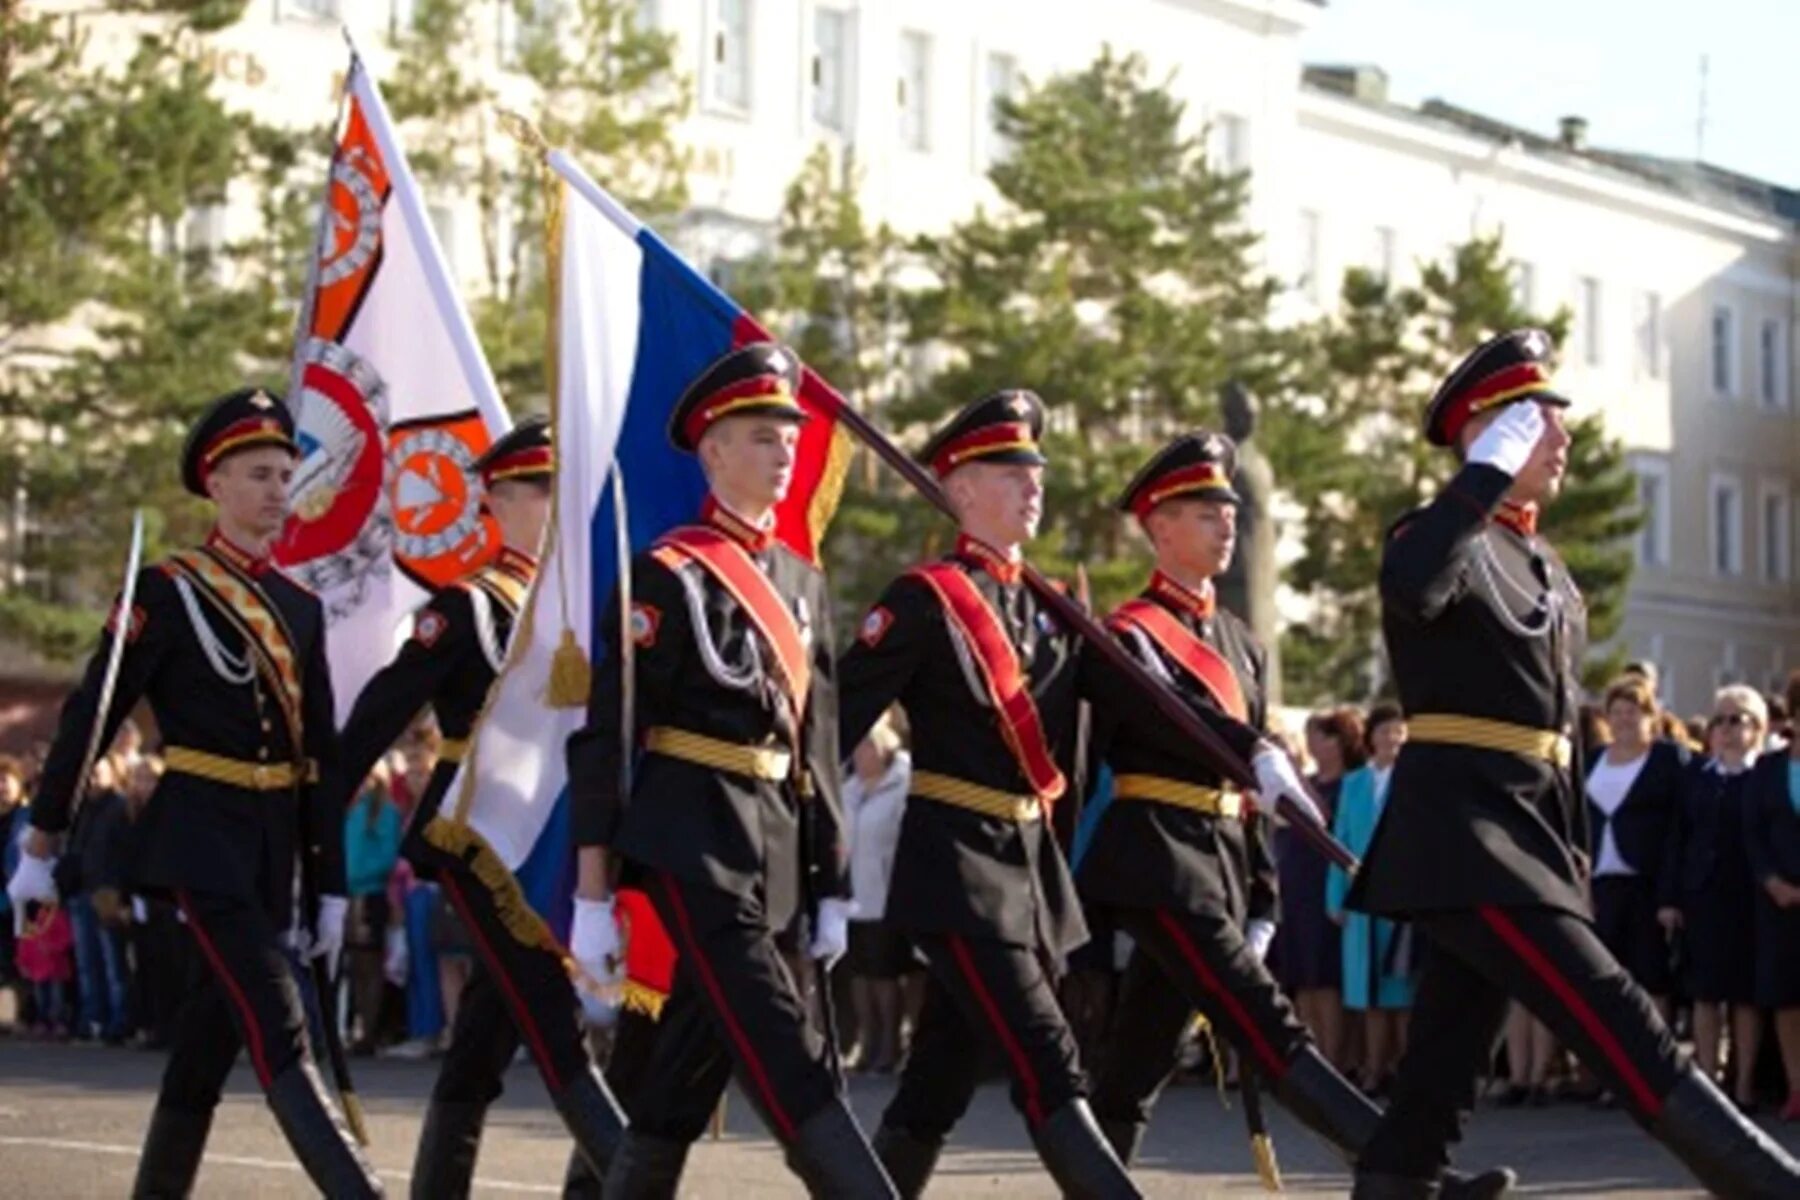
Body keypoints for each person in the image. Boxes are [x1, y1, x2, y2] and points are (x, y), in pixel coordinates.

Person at [1343, 329, 1800, 1198]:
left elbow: (1557, 731)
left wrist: (1571, 850)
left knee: (1440, 1067)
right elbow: (1411, 582)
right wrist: (1477, 477)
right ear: (1492, 431)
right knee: (1622, 1024)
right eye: (1539, 424)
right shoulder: (1444, 535)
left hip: (1526, 837)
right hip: (1469, 840)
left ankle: (1397, 1183)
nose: (1563, 441)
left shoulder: (1543, 564)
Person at [1075, 434, 1506, 1200]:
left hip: (1218, 861)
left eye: (1229, 511)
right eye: (1204, 512)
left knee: (1135, 1061)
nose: (1225, 524)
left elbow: (1254, 787)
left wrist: (1263, 891)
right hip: (1157, 859)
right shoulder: (1127, 634)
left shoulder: (1242, 642)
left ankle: (1092, 1185)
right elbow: (1182, 722)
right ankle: (1406, 1172)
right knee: (1269, 1027)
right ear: (1158, 526)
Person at [4, 387, 381, 1196]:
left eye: (286, 474)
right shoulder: (168, 591)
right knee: (282, 1025)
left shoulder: (300, 608)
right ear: (215, 483)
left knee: (207, 1048)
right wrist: (42, 842)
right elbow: (90, 718)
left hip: (272, 851)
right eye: (258, 474)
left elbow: (319, 759)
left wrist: (329, 887)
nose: (278, 490)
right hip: (200, 839)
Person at [567, 343, 891, 1195]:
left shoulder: (801, 582)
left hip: (779, 849)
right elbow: (608, 735)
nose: (783, 452)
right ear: (712, 451)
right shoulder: (668, 574)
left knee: (677, 1074)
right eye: (760, 437)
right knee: (790, 1058)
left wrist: (831, 879)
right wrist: (592, 894)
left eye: (788, 437)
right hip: (692, 836)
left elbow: (816, 746)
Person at [838, 389, 1138, 1197]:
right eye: (1011, 470)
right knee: (1049, 1054)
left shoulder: (1042, 609)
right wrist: (800, 851)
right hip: (959, 870)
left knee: (939, 1073)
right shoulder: (925, 599)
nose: (1033, 485)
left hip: (1028, 872)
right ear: (961, 488)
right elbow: (833, 720)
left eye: (1036, 470)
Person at [332, 416, 630, 1196]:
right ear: (495, 500)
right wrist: (312, 825)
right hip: (483, 837)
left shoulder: (580, 606)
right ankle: (634, 1181)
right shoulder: (467, 606)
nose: (557, 504)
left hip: (555, 839)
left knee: (484, 1043)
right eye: (540, 489)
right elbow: (377, 715)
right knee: (555, 1028)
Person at [1661, 686, 1769, 1112]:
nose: (1726, 729)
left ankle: (1742, 1082)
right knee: (1705, 993)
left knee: (1742, 995)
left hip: (1749, 896)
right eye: (1719, 720)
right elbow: (1677, 839)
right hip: (1701, 895)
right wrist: (1669, 898)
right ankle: (1706, 1082)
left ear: (1757, 728)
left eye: (1736, 719)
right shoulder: (1697, 777)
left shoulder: (1764, 776)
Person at [1585, 676, 1685, 1030]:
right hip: (1600, 884)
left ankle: (1657, 1070)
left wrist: (1670, 897)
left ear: (1650, 717)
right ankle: (1594, 1075)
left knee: (1651, 978)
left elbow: (1678, 830)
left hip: (1647, 884)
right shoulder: (1593, 760)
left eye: (1634, 712)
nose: (1625, 719)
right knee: (1598, 981)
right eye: (1618, 712)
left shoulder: (1667, 759)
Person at [1328, 703, 1415, 1094]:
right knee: (1368, 991)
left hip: (1401, 895)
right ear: (1371, 737)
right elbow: (1339, 840)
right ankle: (1373, 1067)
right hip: (1361, 893)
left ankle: (1402, 1067)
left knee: (1400, 987)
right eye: (1385, 731)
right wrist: (1336, 897)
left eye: (1399, 732)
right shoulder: (1354, 782)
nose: (1391, 739)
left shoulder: (1414, 781)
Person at [1277, 708, 1357, 1064]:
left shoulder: (1349, 786)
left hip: (1325, 886)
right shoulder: (1310, 783)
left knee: (1325, 979)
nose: (1313, 743)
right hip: (1296, 887)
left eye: (1322, 736)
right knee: (1303, 980)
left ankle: (1335, 1057)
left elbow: (1332, 829)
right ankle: (1313, 1054)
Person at [843, 711, 915, 1074]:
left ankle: (891, 1042)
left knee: (886, 974)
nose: (860, 754)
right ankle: (864, 1039)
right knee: (860, 974)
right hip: (854, 895)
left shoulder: (901, 786)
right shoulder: (850, 789)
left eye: (867, 746)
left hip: (888, 895)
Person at [1746, 670, 1800, 1121]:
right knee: (1785, 996)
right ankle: (1795, 1085)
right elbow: (1753, 832)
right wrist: (1771, 880)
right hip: (1777, 899)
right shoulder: (1769, 768)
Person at [343, 765, 402, 1055]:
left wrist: (358, 876)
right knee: (355, 965)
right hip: (350, 894)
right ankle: (360, 1026)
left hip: (371, 893)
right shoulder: (352, 809)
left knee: (370, 964)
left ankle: (371, 1030)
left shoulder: (385, 811)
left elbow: (387, 855)